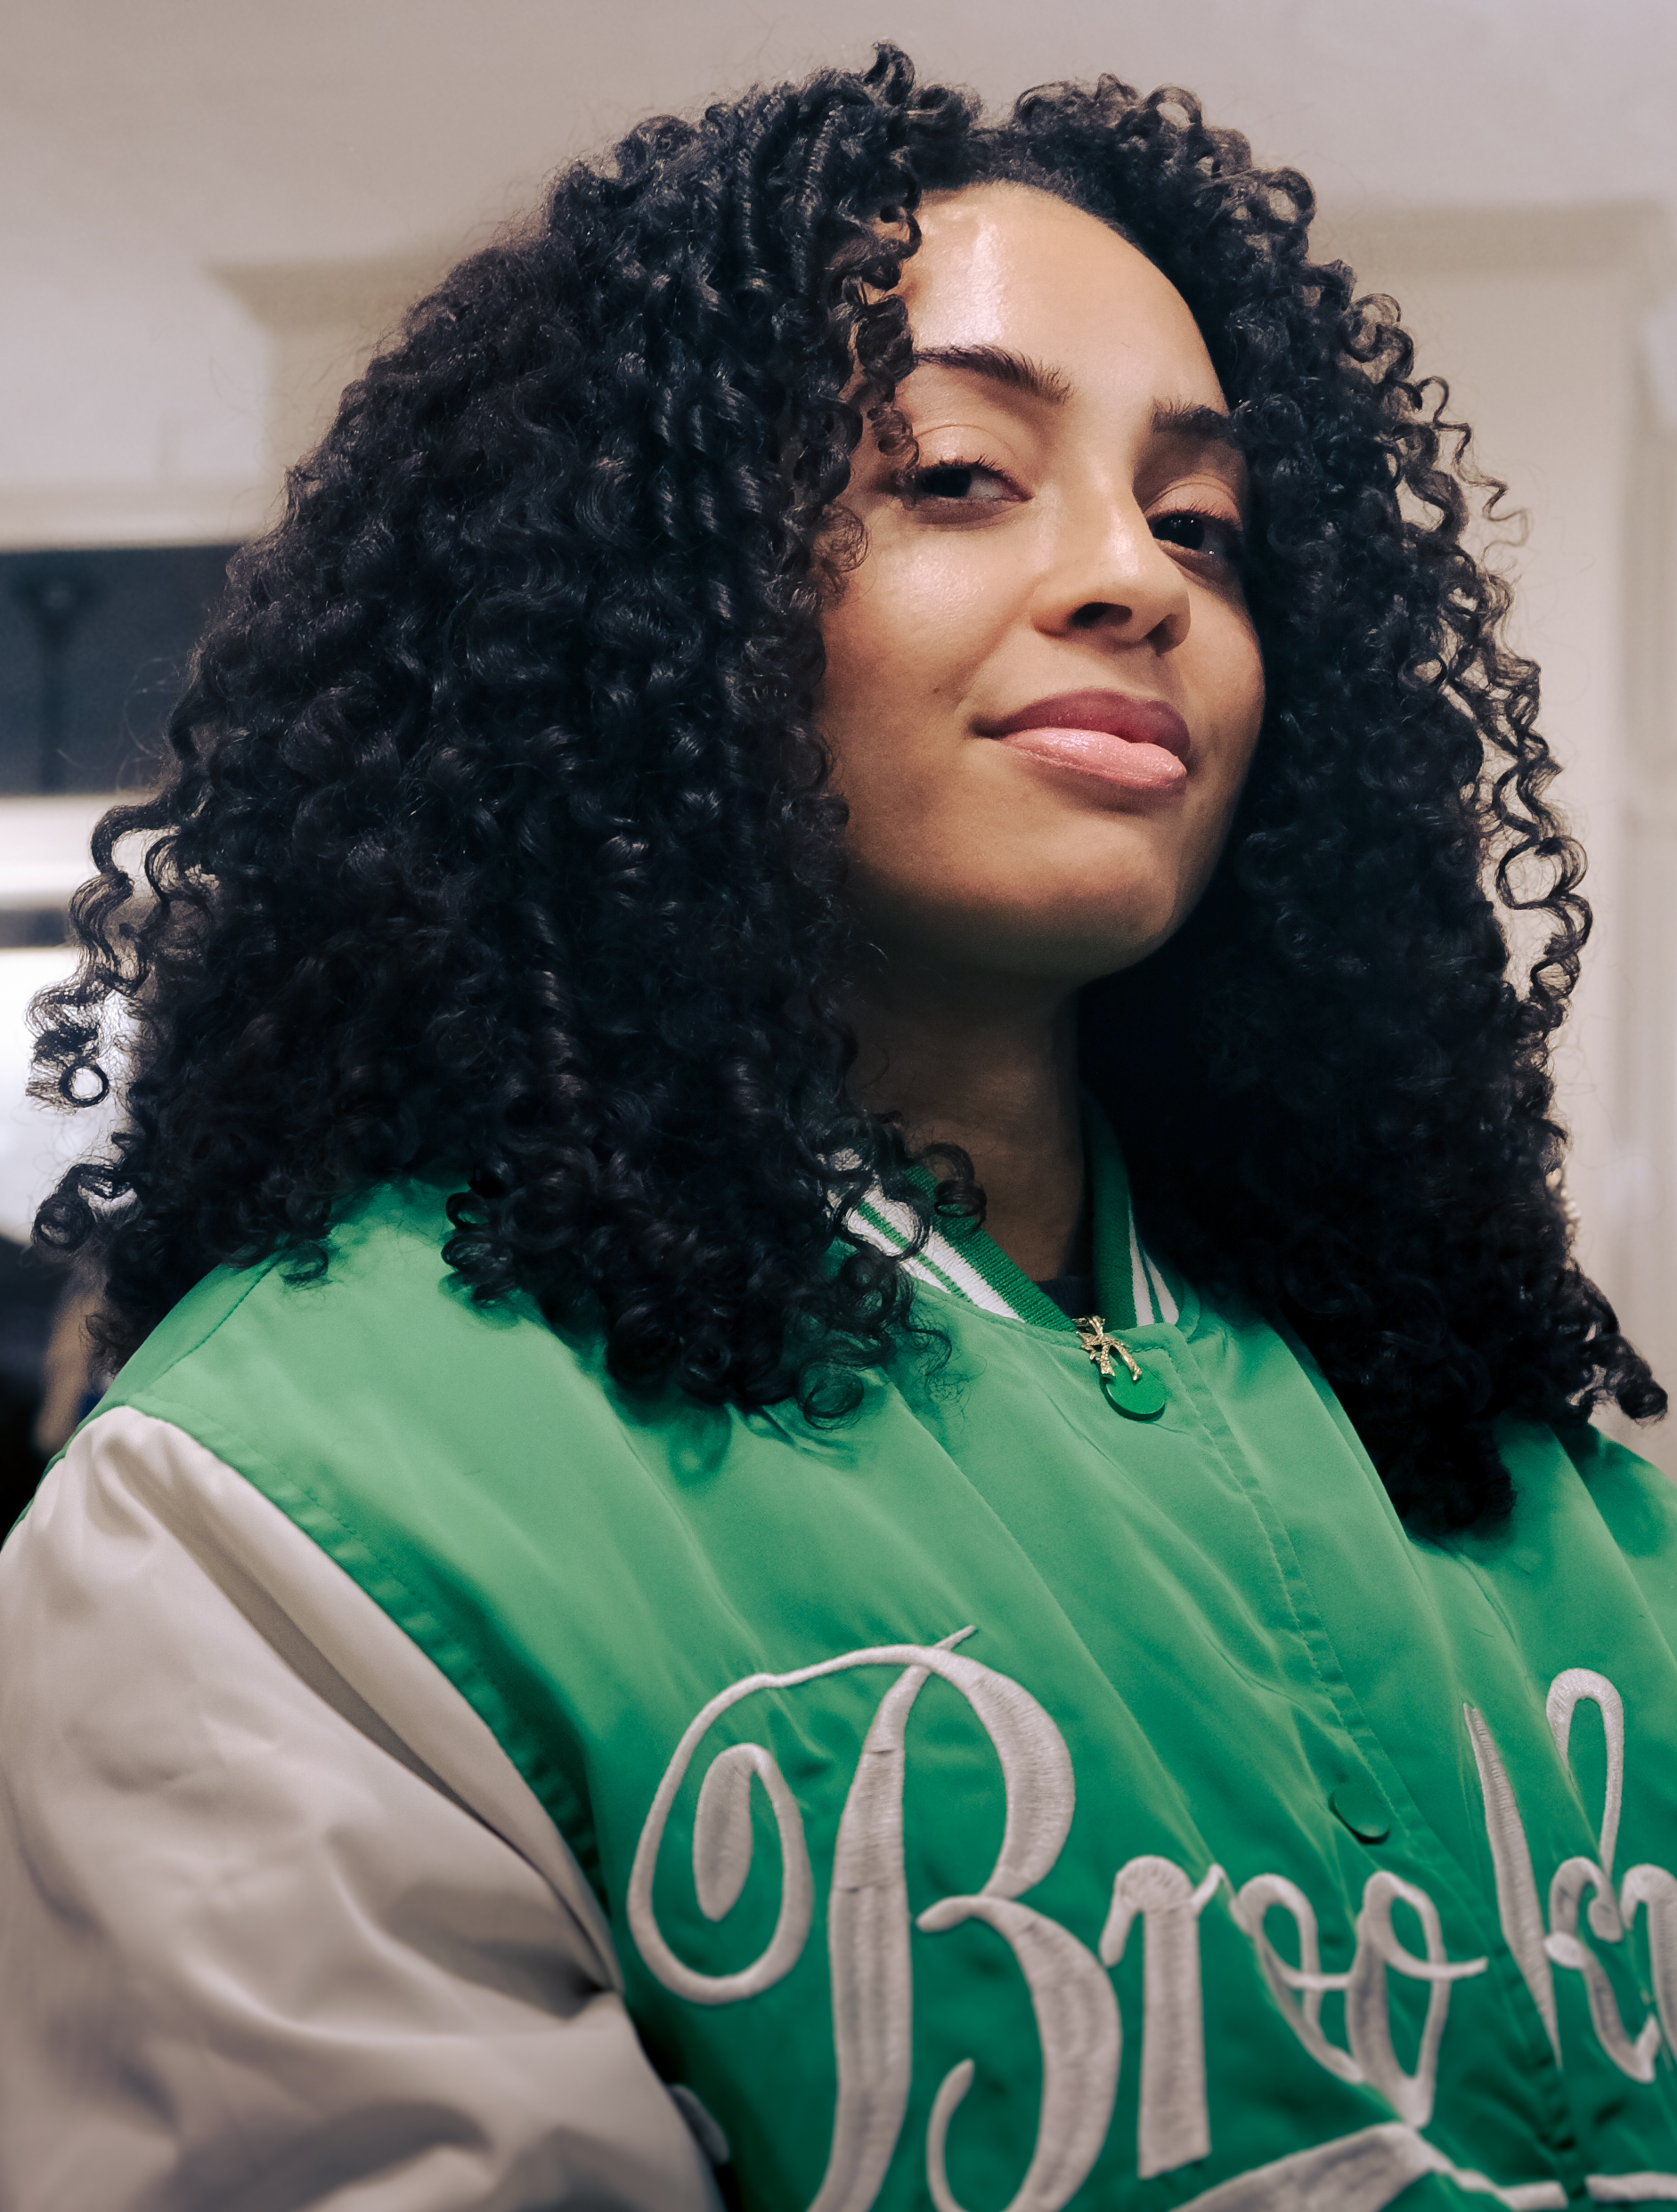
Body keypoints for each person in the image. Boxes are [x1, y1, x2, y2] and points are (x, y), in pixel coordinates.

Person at [1, 45, 1672, 2212]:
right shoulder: (282, 1525)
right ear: (637, 597)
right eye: (961, 475)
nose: (1138, 579)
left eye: (1203, 524)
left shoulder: (1515, 1464)